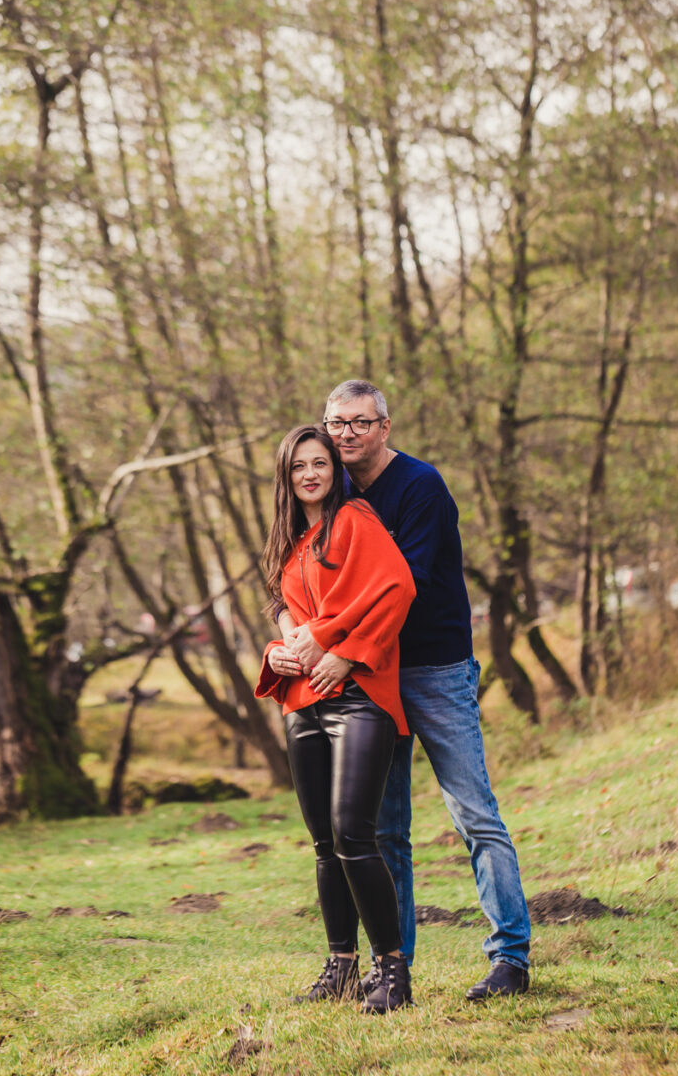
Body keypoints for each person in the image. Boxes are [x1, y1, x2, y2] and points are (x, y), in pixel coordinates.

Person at [281, 382, 531, 1001]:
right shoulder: (330, 494)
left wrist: (336, 648)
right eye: (336, 423)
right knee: (382, 831)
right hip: (371, 679)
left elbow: (402, 584)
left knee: (473, 813)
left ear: (385, 427)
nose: (346, 435)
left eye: (360, 424)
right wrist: (304, 636)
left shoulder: (419, 486)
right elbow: (297, 576)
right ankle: (392, 964)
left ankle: (511, 957)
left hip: (433, 667)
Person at [257, 424, 416, 1014]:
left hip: (357, 698)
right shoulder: (293, 540)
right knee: (324, 843)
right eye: (298, 466)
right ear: (286, 476)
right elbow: (286, 615)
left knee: (355, 834)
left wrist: (342, 650)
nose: (309, 474)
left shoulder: (355, 520)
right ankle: (342, 967)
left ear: (335, 468)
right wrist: (278, 653)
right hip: (304, 702)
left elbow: (395, 588)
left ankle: (393, 973)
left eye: (319, 462)